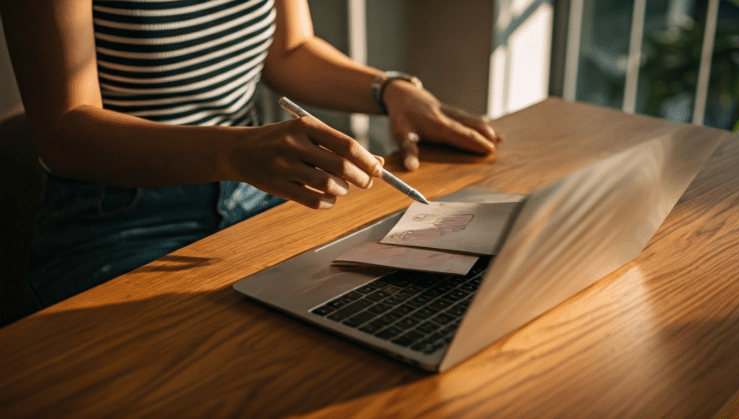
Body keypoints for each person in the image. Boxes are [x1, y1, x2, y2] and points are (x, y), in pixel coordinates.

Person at [0, 0, 502, 312]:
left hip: (255, 194)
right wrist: (236, 150)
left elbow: (289, 49)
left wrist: (390, 90)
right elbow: (63, 131)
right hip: (116, 220)